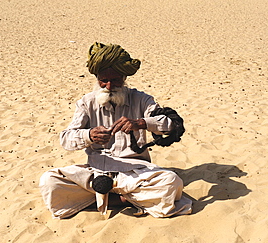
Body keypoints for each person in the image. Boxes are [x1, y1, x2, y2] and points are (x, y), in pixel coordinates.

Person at [39, 42, 192, 219]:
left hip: (136, 173)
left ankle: (108, 198)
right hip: (95, 172)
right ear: (97, 78)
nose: (109, 86)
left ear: (124, 78)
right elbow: (66, 139)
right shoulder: (86, 103)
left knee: (171, 183)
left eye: (115, 80)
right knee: (49, 182)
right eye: (104, 80)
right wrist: (88, 135)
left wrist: (141, 123)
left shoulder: (141, 100)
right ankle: (126, 199)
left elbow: (170, 124)